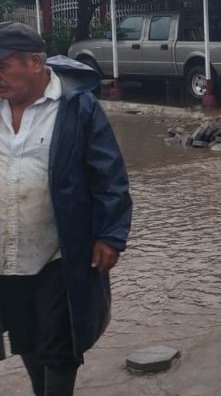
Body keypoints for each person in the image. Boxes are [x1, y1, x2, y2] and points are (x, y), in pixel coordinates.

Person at [0, 22, 132, 396]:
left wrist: (110, 235)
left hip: (60, 252)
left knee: (60, 347)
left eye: (3, 66)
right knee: (26, 339)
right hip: (7, 253)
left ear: (34, 63)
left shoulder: (76, 107)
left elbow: (109, 175)